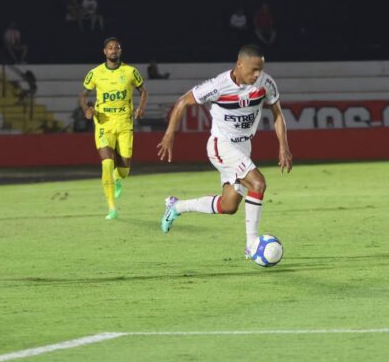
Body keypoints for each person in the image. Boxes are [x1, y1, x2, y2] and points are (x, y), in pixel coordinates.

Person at [157, 44, 293, 258]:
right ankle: (252, 245)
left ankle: (176, 207)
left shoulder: (265, 83)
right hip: (221, 145)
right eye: (253, 69)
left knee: (228, 205)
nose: (257, 74)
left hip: (243, 147)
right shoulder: (218, 85)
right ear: (240, 64)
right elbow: (183, 102)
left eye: (261, 69)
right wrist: (169, 135)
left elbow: (278, 114)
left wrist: (283, 146)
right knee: (258, 183)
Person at [78, 37, 148, 220]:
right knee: (107, 163)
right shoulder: (95, 73)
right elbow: (83, 96)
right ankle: (111, 208)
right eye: (110, 48)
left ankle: (118, 179)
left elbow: (144, 91)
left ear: (120, 51)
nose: (113, 51)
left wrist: (141, 108)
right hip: (103, 125)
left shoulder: (131, 72)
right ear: (104, 52)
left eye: (116, 48)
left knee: (124, 169)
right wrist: (87, 110)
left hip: (125, 125)